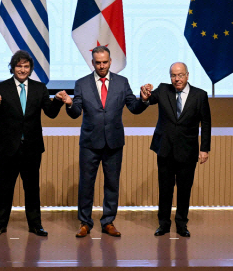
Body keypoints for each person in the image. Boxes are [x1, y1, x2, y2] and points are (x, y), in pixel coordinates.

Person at [62, 46, 148, 238]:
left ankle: (108, 221)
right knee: (86, 184)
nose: (102, 66)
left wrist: (143, 100)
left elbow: (134, 107)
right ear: (92, 63)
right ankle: (85, 223)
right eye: (98, 63)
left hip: (113, 142)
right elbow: (75, 113)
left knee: (112, 184)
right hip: (89, 143)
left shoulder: (122, 82)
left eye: (105, 62)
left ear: (110, 62)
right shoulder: (81, 84)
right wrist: (69, 103)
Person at [0, 50, 67, 237]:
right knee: (4, 188)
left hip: (32, 148)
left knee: (32, 189)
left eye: (26, 66)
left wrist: (57, 100)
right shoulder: (1, 87)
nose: (22, 70)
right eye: (19, 66)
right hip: (7, 148)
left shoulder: (40, 88)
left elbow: (51, 113)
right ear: (12, 68)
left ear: (30, 69)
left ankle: (35, 225)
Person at [141, 63, 211, 237]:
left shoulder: (200, 95)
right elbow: (149, 99)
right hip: (165, 149)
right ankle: (163, 224)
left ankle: (181, 224)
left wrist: (204, 149)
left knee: (184, 190)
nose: (177, 79)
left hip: (188, 150)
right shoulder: (163, 90)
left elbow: (206, 123)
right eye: (173, 75)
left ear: (187, 75)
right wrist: (144, 96)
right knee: (165, 189)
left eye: (180, 75)